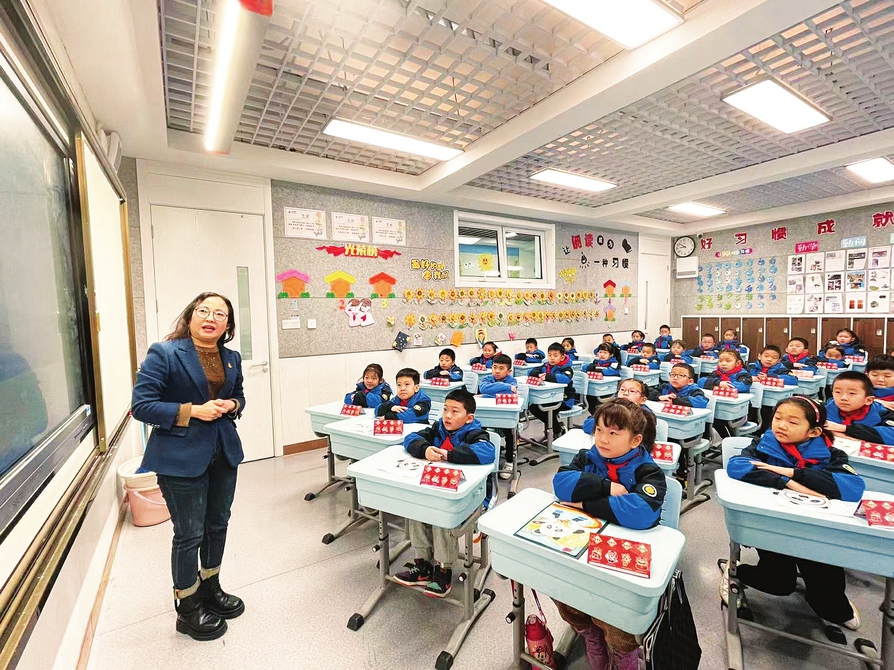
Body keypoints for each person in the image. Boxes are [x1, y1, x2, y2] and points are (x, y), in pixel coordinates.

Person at [131, 292, 246, 641]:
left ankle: (211, 587)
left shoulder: (231, 358)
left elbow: (239, 395)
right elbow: (142, 406)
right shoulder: (165, 353)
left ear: (227, 325)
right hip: (179, 457)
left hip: (223, 453)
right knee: (189, 533)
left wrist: (232, 405)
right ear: (190, 316)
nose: (211, 318)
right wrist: (192, 411)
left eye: (220, 314)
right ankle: (188, 606)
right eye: (204, 311)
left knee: (217, 524)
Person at [724, 396, 864, 632]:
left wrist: (793, 473)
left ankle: (829, 603)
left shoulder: (832, 455)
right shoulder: (763, 445)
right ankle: (736, 574)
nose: (781, 425)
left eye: (792, 422)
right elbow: (737, 465)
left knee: (827, 592)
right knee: (778, 583)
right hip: (771, 524)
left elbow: (852, 487)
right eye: (778, 418)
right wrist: (787, 483)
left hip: (817, 530)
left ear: (814, 431)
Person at [553, 400, 666, 670]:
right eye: (599, 430)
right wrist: (606, 486)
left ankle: (621, 652)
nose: (603, 439)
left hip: (623, 558)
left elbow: (640, 512)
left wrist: (584, 503)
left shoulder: (648, 471)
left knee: (617, 617)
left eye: (613, 433)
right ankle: (590, 636)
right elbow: (561, 485)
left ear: (635, 440)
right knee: (563, 591)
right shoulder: (587, 457)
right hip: (580, 547)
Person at [395, 389, 495, 597]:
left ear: (469, 418)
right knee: (416, 509)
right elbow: (411, 437)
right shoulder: (437, 428)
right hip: (436, 490)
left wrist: (448, 455)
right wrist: (424, 450)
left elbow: (487, 452)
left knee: (442, 513)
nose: (447, 416)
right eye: (445, 410)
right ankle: (422, 564)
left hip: (471, 498)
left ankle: (443, 569)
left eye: (455, 411)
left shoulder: (476, 434)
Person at [478, 353, 518, 480]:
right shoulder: (487, 378)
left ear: (509, 371)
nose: (497, 371)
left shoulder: (513, 381)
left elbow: (509, 394)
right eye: (495, 367)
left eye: (501, 368)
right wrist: (505, 387)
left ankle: (510, 461)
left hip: (506, 415)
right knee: (480, 431)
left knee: (510, 433)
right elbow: (483, 389)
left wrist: (488, 394)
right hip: (488, 414)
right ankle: (485, 457)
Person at [825, 371, 894, 444]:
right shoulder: (824, 411)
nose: (843, 398)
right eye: (838, 392)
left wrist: (846, 429)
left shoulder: (881, 413)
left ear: (868, 400)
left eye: (852, 393)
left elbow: (891, 434)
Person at [528, 343, 575, 440]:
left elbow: (565, 379)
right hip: (549, 398)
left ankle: (557, 430)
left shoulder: (566, 368)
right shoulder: (546, 365)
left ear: (562, 357)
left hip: (564, 400)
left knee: (548, 410)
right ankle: (557, 428)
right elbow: (530, 372)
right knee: (534, 407)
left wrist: (547, 376)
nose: (552, 358)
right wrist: (537, 374)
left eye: (555, 355)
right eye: (550, 355)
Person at [702, 349, 752, 438]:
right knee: (710, 419)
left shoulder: (744, 375)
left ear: (737, 363)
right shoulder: (717, 373)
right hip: (719, 408)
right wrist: (718, 383)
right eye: (720, 361)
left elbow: (741, 386)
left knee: (719, 420)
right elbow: (701, 381)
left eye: (728, 361)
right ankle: (724, 439)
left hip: (740, 411)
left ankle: (730, 439)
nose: (723, 364)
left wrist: (722, 385)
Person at [583, 344, 620, 413]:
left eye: (605, 353)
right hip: (596, 387)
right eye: (600, 352)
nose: (602, 355)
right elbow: (584, 368)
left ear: (611, 354)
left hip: (608, 389)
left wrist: (597, 369)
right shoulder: (597, 362)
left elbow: (611, 371)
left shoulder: (614, 363)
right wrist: (590, 367)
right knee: (589, 399)